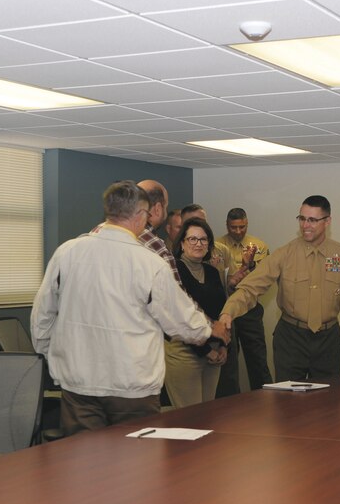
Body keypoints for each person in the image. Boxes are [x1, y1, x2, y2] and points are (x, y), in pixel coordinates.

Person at [32, 181, 228, 433]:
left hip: (79, 384)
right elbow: (181, 321)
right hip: (132, 387)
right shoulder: (149, 262)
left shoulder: (66, 253)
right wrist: (212, 330)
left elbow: (43, 315)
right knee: (136, 467)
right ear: (139, 215)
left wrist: (53, 356)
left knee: (82, 465)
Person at [219, 195, 340, 380]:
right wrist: (228, 312)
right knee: (288, 403)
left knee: (328, 403)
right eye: (302, 219)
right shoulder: (284, 254)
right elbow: (250, 289)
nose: (305, 225)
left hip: (328, 342)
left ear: (327, 221)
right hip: (291, 339)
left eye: (312, 220)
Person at [164, 218, 228, 407]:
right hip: (184, 353)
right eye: (192, 239)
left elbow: (222, 312)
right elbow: (178, 316)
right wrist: (205, 350)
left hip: (214, 353)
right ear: (182, 243)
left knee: (207, 416)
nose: (198, 244)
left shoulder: (212, 272)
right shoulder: (173, 270)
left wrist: (224, 345)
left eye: (203, 239)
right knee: (189, 420)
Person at [215, 208, 272, 393]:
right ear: (227, 225)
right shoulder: (217, 246)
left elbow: (265, 278)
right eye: (234, 227)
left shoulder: (259, 246)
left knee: (257, 358)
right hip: (225, 308)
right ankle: (229, 406)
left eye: (242, 227)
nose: (238, 231)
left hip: (249, 309)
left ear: (247, 224)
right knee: (228, 363)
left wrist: (251, 265)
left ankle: (266, 399)